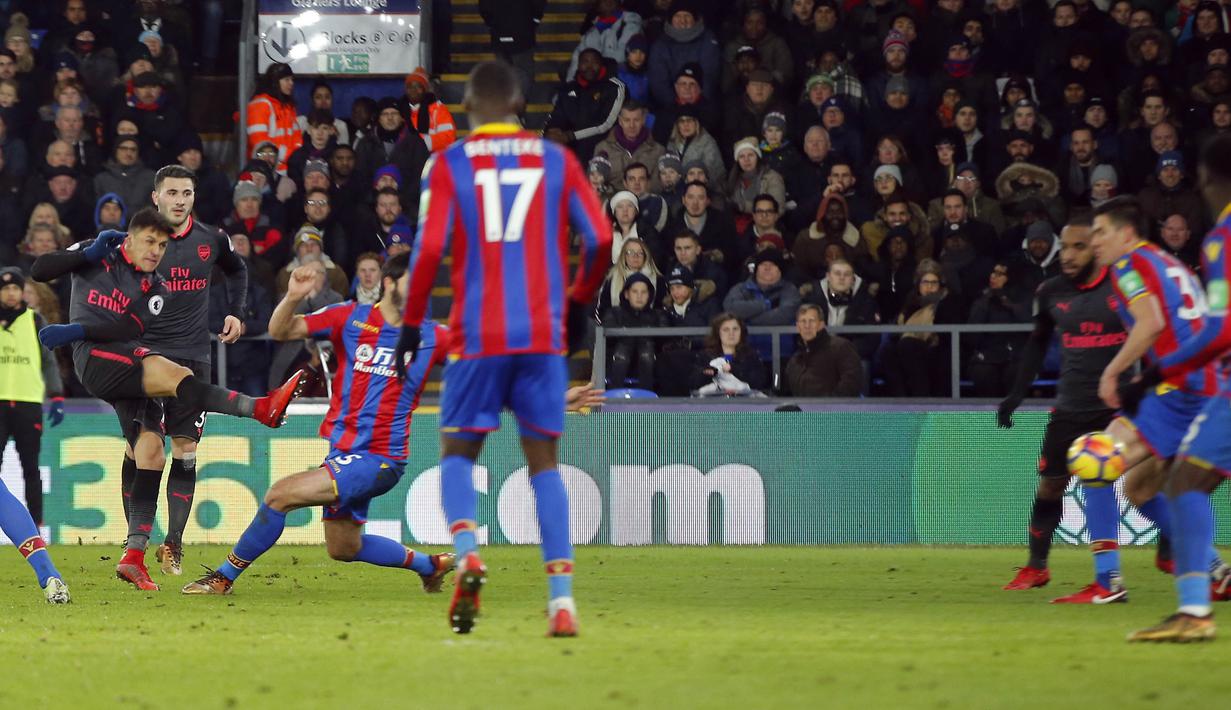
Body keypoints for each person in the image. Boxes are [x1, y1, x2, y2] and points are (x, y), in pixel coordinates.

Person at [396, 62, 612, 637]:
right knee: (544, 466)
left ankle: (467, 554)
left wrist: (412, 326)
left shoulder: (446, 164)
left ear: (466, 107)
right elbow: (601, 238)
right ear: (520, 102)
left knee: (457, 454)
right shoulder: (557, 160)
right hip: (542, 335)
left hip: (476, 335)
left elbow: (427, 251)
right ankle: (562, 600)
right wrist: (575, 302)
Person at [30, 209, 306, 591]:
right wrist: (88, 254)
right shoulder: (98, 253)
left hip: (123, 361)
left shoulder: (157, 287)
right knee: (176, 376)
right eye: (149, 241)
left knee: (150, 452)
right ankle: (259, 407)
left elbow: (127, 328)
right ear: (129, 238)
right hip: (95, 360)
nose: (156, 251)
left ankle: (134, 556)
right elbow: (40, 269)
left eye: (162, 245)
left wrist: (74, 328)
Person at [182, 255, 455, 597]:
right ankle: (430, 567)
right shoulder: (351, 317)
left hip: (380, 458)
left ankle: (222, 578)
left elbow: (477, 361)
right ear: (389, 282)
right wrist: (293, 296)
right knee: (343, 547)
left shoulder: (432, 336)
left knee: (280, 494)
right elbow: (282, 330)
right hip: (343, 451)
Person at [1049, 196, 1225, 605]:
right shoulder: (1166, 262)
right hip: (1203, 385)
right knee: (1141, 491)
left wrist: (1113, 371)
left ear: (1126, 235)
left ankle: (1107, 581)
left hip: (1181, 389)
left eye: (1101, 233)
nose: (1094, 243)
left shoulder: (1128, 266)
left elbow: (1152, 323)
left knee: (1095, 457)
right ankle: (1217, 570)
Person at [1121, 135, 1231, 641]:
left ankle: (1194, 614)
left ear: (1207, 179)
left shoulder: (1221, 239)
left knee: (1184, 483)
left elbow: (1219, 329)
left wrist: (1155, 373)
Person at [131, 164, 251, 577]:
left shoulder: (211, 239)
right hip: (144, 359)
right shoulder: (140, 242)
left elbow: (238, 270)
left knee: (186, 449)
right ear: (156, 197)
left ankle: (173, 544)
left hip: (192, 358)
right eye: (172, 193)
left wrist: (236, 312)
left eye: (186, 193)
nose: (180, 200)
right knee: (142, 450)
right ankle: (135, 547)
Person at [997, 219, 1127, 594]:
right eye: (1065, 247)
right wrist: (1017, 393)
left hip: (1117, 406)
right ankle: (1037, 566)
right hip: (1071, 407)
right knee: (1050, 488)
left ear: (1096, 249)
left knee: (1144, 483)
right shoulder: (1050, 291)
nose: (1068, 255)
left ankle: (1169, 556)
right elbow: (1037, 343)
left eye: (1078, 247)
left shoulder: (1121, 287)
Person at [0, 267, 64, 527]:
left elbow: (48, 361)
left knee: (31, 468)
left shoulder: (34, 320)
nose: (11, 293)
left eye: (15, 288)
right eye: (5, 288)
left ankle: (36, 525)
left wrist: (56, 395)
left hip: (28, 403)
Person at [543, 47, 625, 163]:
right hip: (572, 140)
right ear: (578, 65)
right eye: (585, 62)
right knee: (549, 142)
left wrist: (570, 136)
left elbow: (605, 124)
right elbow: (558, 115)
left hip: (603, 141)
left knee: (586, 145)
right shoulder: (569, 88)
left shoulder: (614, 87)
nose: (589, 67)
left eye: (594, 62)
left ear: (601, 65)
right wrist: (553, 130)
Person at [782, 303, 862, 397]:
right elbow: (784, 389)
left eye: (811, 321)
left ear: (821, 324)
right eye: (803, 321)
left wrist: (828, 404)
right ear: (798, 327)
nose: (807, 326)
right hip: (802, 410)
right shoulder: (795, 359)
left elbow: (851, 382)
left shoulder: (841, 347)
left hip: (833, 410)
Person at [691, 313, 766, 396]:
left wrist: (733, 369)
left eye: (735, 329)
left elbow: (758, 382)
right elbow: (694, 383)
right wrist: (709, 373)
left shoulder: (751, 355)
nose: (731, 333)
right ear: (718, 333)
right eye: (726, 330)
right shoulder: (705, 356)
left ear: (741, 332)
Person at [246, 63, 300, 173]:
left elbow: (297, 137)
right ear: (275, 82)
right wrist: (289, 157)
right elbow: (259, 143)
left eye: (292, 79)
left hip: (288, 169)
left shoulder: (289, 106)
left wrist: (296, 157)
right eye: (286, 79)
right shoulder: (260, 104)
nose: (291, 83)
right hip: (266, 170)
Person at [402, 67, 457, 153]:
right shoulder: (399, 110)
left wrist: (419, 143)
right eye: (410, 87)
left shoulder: (438, 110)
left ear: (425, 90)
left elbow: (448, 138)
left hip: (432, 159)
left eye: (418, 87)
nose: (413, 90)